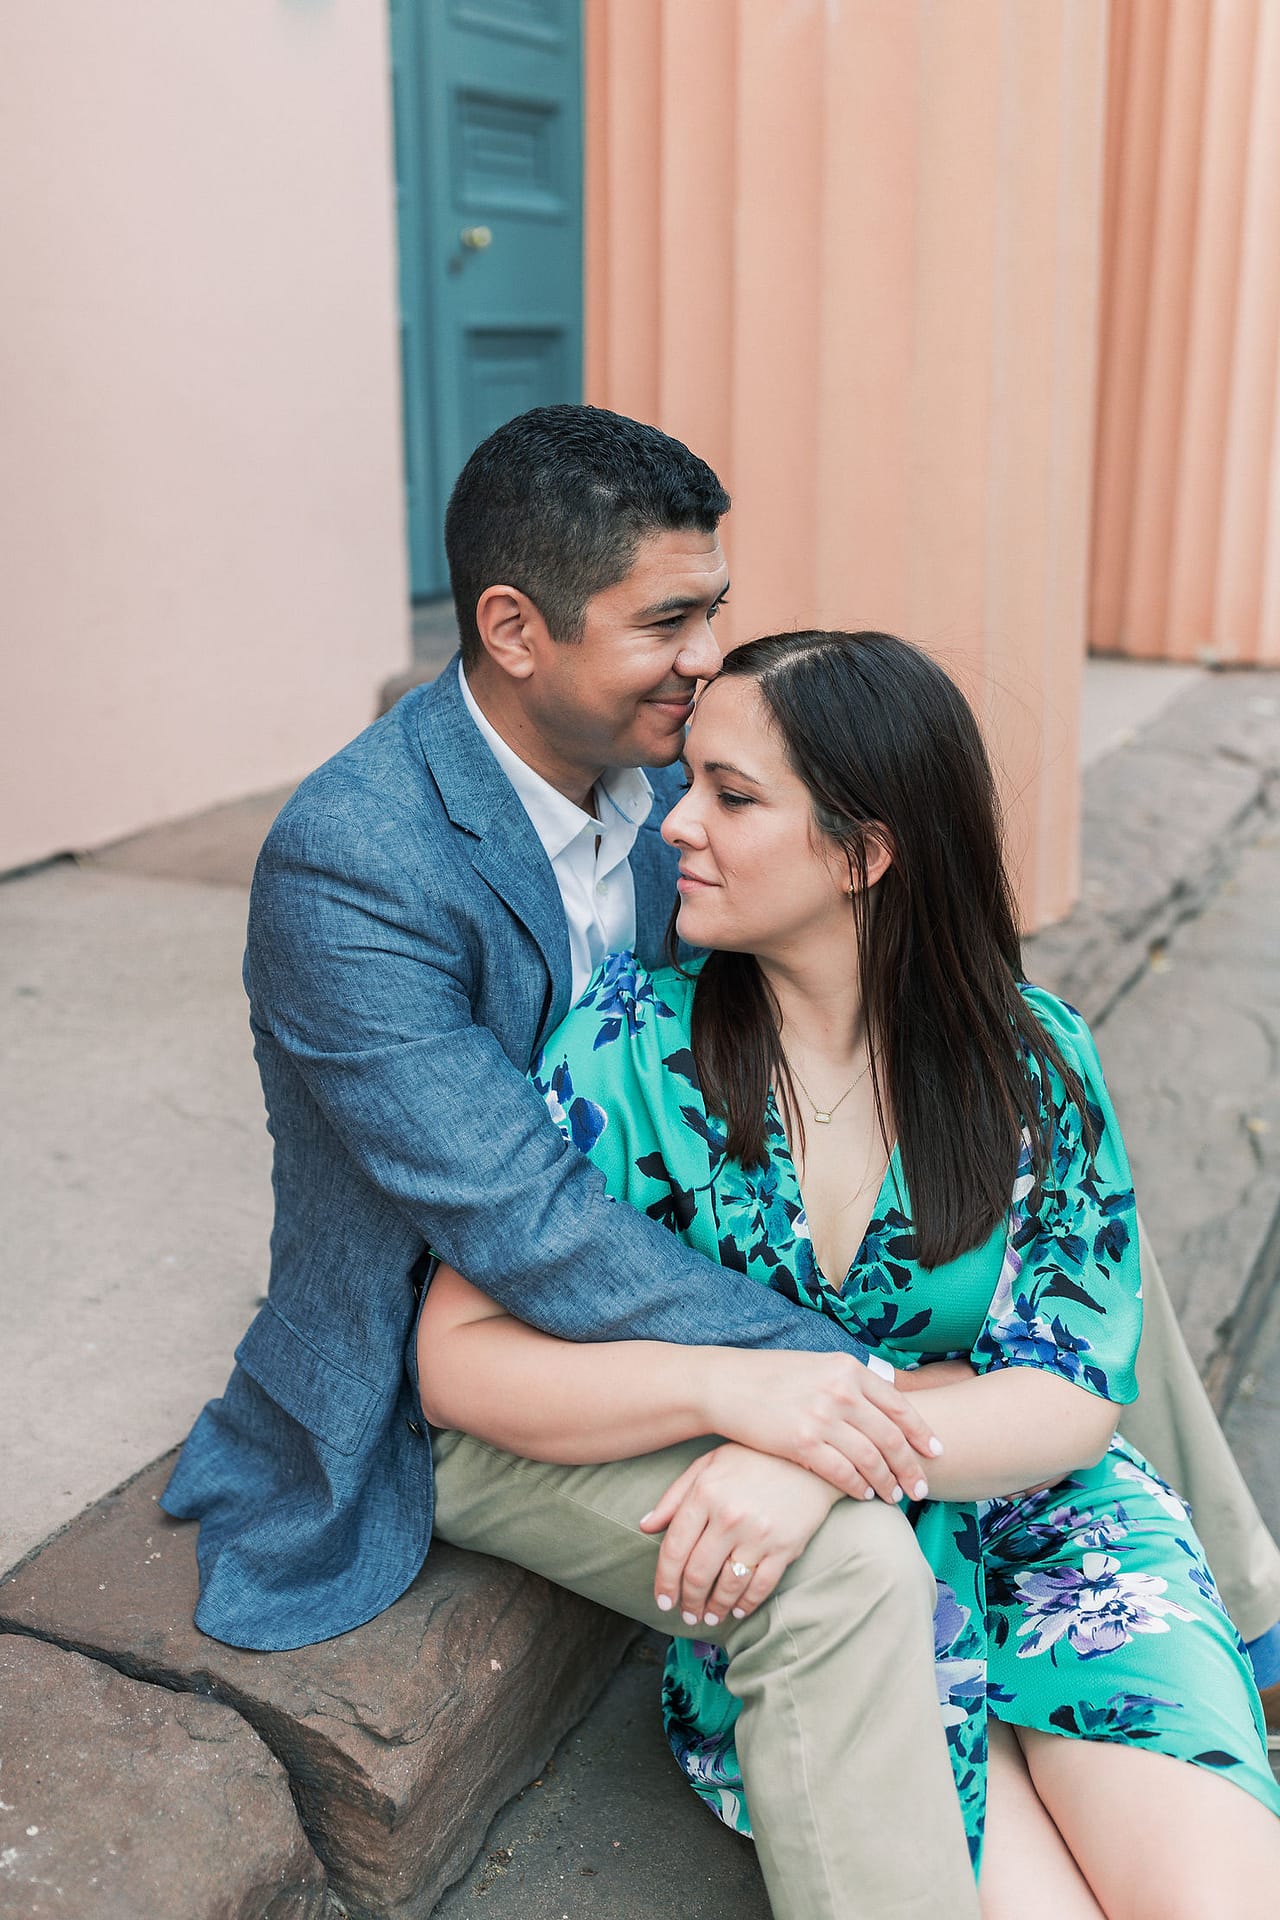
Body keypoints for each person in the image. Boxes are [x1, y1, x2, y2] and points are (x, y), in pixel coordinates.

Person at [159, 405, 1280, 1920]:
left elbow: (1048, 1329)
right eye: (670, 621)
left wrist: (882, 1399)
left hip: (761, 1303)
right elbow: (534, 1226)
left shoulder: (644, 776)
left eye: (716, 613)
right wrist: (828, 1395)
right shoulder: (360, 863)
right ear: (513, 630)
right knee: (886, 1509)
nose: (702, 669)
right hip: (493, 1328)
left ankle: (1226, 1618)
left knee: (1061, 1224)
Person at [418, 629, 1280, 1916]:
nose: (674, 828)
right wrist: (736, 1401)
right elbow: (454, 1354)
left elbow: (1068, 1391)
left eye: (731, 796)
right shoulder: (625, 1050)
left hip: (1056, 1536)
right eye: (686, 782)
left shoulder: (1028, 1059)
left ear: (864, 852)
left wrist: (803, 1447)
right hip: (842, 1595)